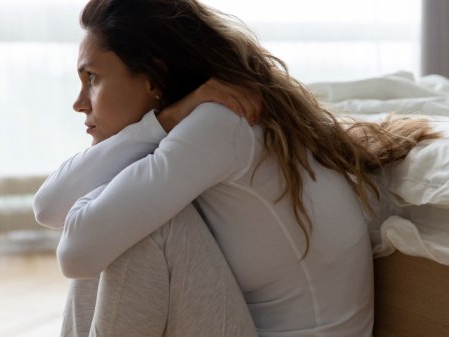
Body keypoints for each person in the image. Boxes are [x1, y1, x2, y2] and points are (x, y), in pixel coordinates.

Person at [33, 0, 440, 336]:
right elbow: (49, 208)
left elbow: (76, 254)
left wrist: (161, 125)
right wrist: (160, 122)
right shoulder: (195, 125)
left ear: (153, 76)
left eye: (93, 78)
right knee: (114, 214)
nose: (80, 102)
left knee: (135, 227)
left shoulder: (221, 124)